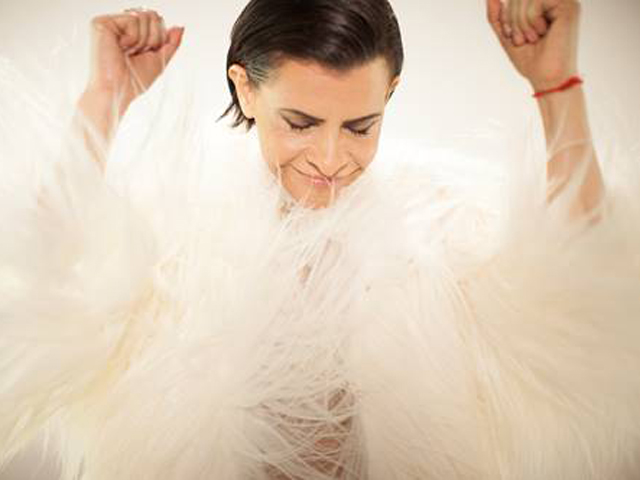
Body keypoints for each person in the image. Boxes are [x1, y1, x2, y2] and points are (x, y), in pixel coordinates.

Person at [1, 0, 639, 479]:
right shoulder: (174, 241)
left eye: (361, 126)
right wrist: (105, 98)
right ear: (245, 89)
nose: (330, 159)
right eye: (301, 123)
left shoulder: (439, 239)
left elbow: (582, 303)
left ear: (390, 94)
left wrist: (555, 87)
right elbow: (43, 291)